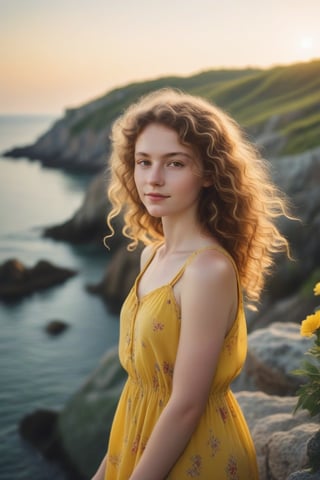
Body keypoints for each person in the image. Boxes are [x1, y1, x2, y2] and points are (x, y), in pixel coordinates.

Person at [92, 88, 291, 480]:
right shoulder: (151, 255)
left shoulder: (207, 270)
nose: (154, 178)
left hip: (196, 457)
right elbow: (141, 392)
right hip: (137, 448)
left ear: (209, 174)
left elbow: (185, 405)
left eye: (175, 163)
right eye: (143, 162)